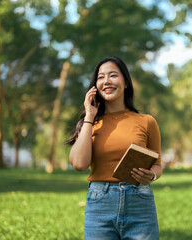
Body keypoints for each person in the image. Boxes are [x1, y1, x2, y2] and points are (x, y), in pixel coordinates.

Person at [67, 56, 162, 240]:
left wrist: (152, 175)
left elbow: (157, 164)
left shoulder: (147, 122)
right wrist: (89, 115)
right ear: (95, 85)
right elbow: (79, 164)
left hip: (140, 201)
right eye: (101, 77)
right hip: (99, 203)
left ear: (126, 82)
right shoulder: (90, 124)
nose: (107, 81)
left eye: (113, 75)